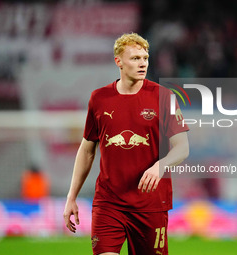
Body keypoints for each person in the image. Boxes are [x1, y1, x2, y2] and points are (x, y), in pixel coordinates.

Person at [63, 33, 189, 255]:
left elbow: (182, 147)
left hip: (151, 204)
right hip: (109, 202)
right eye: (135, 58)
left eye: (145, 58)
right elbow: (87, 150)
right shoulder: (99, 99)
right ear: (118, 61)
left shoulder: (164, 97)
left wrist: (161, 165)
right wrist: (71, 196)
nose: (142, 63)